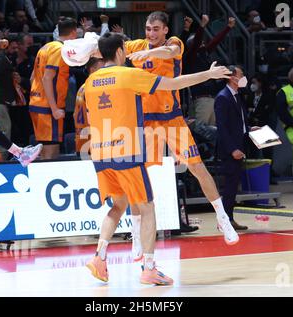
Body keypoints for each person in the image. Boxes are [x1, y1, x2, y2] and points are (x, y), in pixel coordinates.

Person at [85, 32, 231, 285]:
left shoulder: (90, 82)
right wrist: (208, 74)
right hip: (126, 151)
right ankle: (149, 268)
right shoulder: (129, 75)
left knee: (117, 207)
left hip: (99, 152)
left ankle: (99, 257)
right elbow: (174, 84)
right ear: (120, 52)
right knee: (147, 207)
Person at [119, 11, 239, 260]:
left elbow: (170, 53)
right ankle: (136, 232)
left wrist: (148, 53)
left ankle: (222, 217)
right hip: (145, 121)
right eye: (147, 29)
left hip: (172, 118)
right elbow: (109, 47)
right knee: (138, 176)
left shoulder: (175, 43)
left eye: (155, 29)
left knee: (198, 167)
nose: (150, 33)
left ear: (165, 30)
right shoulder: (134, 45)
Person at [215, 66, 257, 231]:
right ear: (232, 77)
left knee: (233, 186)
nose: (244, 77)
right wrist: (233, 149)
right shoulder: (222, 97)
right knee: (230, 186)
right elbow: (222, 127)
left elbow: (238, 121)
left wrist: (249, 128)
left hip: (240, 145)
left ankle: (228, 219)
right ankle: (225, 221)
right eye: (241, 75)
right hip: (230, 150)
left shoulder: (236, 96)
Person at [29, 17, 77, 159]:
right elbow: (47, 78)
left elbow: (33, 77)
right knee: (51, 152)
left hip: (36, 103)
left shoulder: (45, 47)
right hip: (48, 108)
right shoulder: (59, 49)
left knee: (44, 150)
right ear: (73, 33)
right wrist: (54, 108)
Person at [73, 57, 104, 156]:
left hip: (82, 140)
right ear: (93, 70)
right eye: (103, 68)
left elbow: (75, 115)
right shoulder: (95, 88)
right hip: (93, 142)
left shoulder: (83, 87)